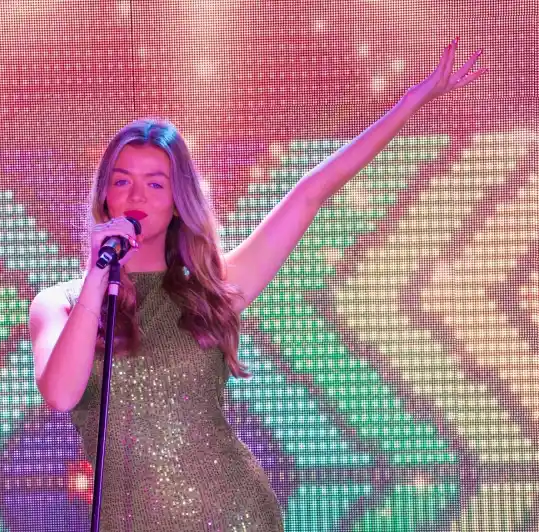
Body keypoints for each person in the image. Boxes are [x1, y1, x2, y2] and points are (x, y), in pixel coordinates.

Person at [29, 38, 485, 531]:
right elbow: (61, 395)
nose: (136, 194)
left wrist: (412, 102)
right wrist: (100, 275)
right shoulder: (59, 303)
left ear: (178, 200)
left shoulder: (213, 286)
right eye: (122, 181)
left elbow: (309, 195)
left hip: (232, 516)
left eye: (156, 183)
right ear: (105, 196)